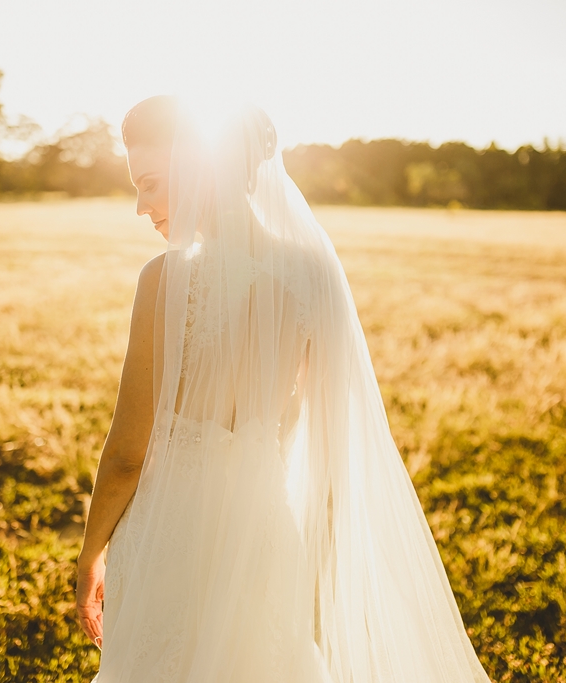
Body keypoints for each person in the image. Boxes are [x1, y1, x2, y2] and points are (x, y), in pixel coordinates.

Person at [76, 96, 490, 682]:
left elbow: (126, 453)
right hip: (265, 529)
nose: (141, 208)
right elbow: (320, 429)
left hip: (171, 533)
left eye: (150, 184)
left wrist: (91, 554)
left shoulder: (163, 280)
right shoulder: (311, 277)